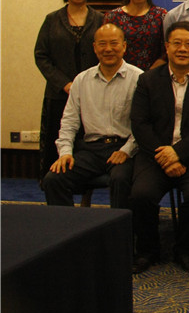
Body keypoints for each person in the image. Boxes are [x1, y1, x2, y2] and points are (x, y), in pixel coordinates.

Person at [129, 21, 189, 275]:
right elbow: (140, 123)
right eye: (177, 43)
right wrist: (165, 154)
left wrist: (179, 152)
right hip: (155, 154)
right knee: (141, 194)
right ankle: (147, 249)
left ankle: (185, 247)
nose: (182, 49)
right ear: (167, 46)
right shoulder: (147, 80)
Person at [41, 23, 142, 209]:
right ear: (95, 48)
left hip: (125, 148)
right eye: (102, 44)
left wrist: (127, 150)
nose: (108, 49)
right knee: (53, 179)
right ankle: (68, 226)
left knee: (120, 179)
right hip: (91, 150)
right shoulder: (82, 80)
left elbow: (143, 124)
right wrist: (65, 153)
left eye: (114, 43)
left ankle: (119, 227)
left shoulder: (139, 79)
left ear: (124, 46)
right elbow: (69, 122)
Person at [35, 0, 104, 179]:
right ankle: (51, 184)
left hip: (92, 95)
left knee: (87, 145)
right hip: (58, 95)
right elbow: (41, 56)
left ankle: (84, 189)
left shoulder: (100, 19)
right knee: (55, 142)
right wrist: (64, 84)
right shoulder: (52, 19)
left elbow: (107, 55)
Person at [103, 0, 167, 70]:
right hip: (120, 73)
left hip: (153, 74)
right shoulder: (113, 17)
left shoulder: (161, 15)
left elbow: (167, 50)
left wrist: (150, 74)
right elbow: (106, 48)